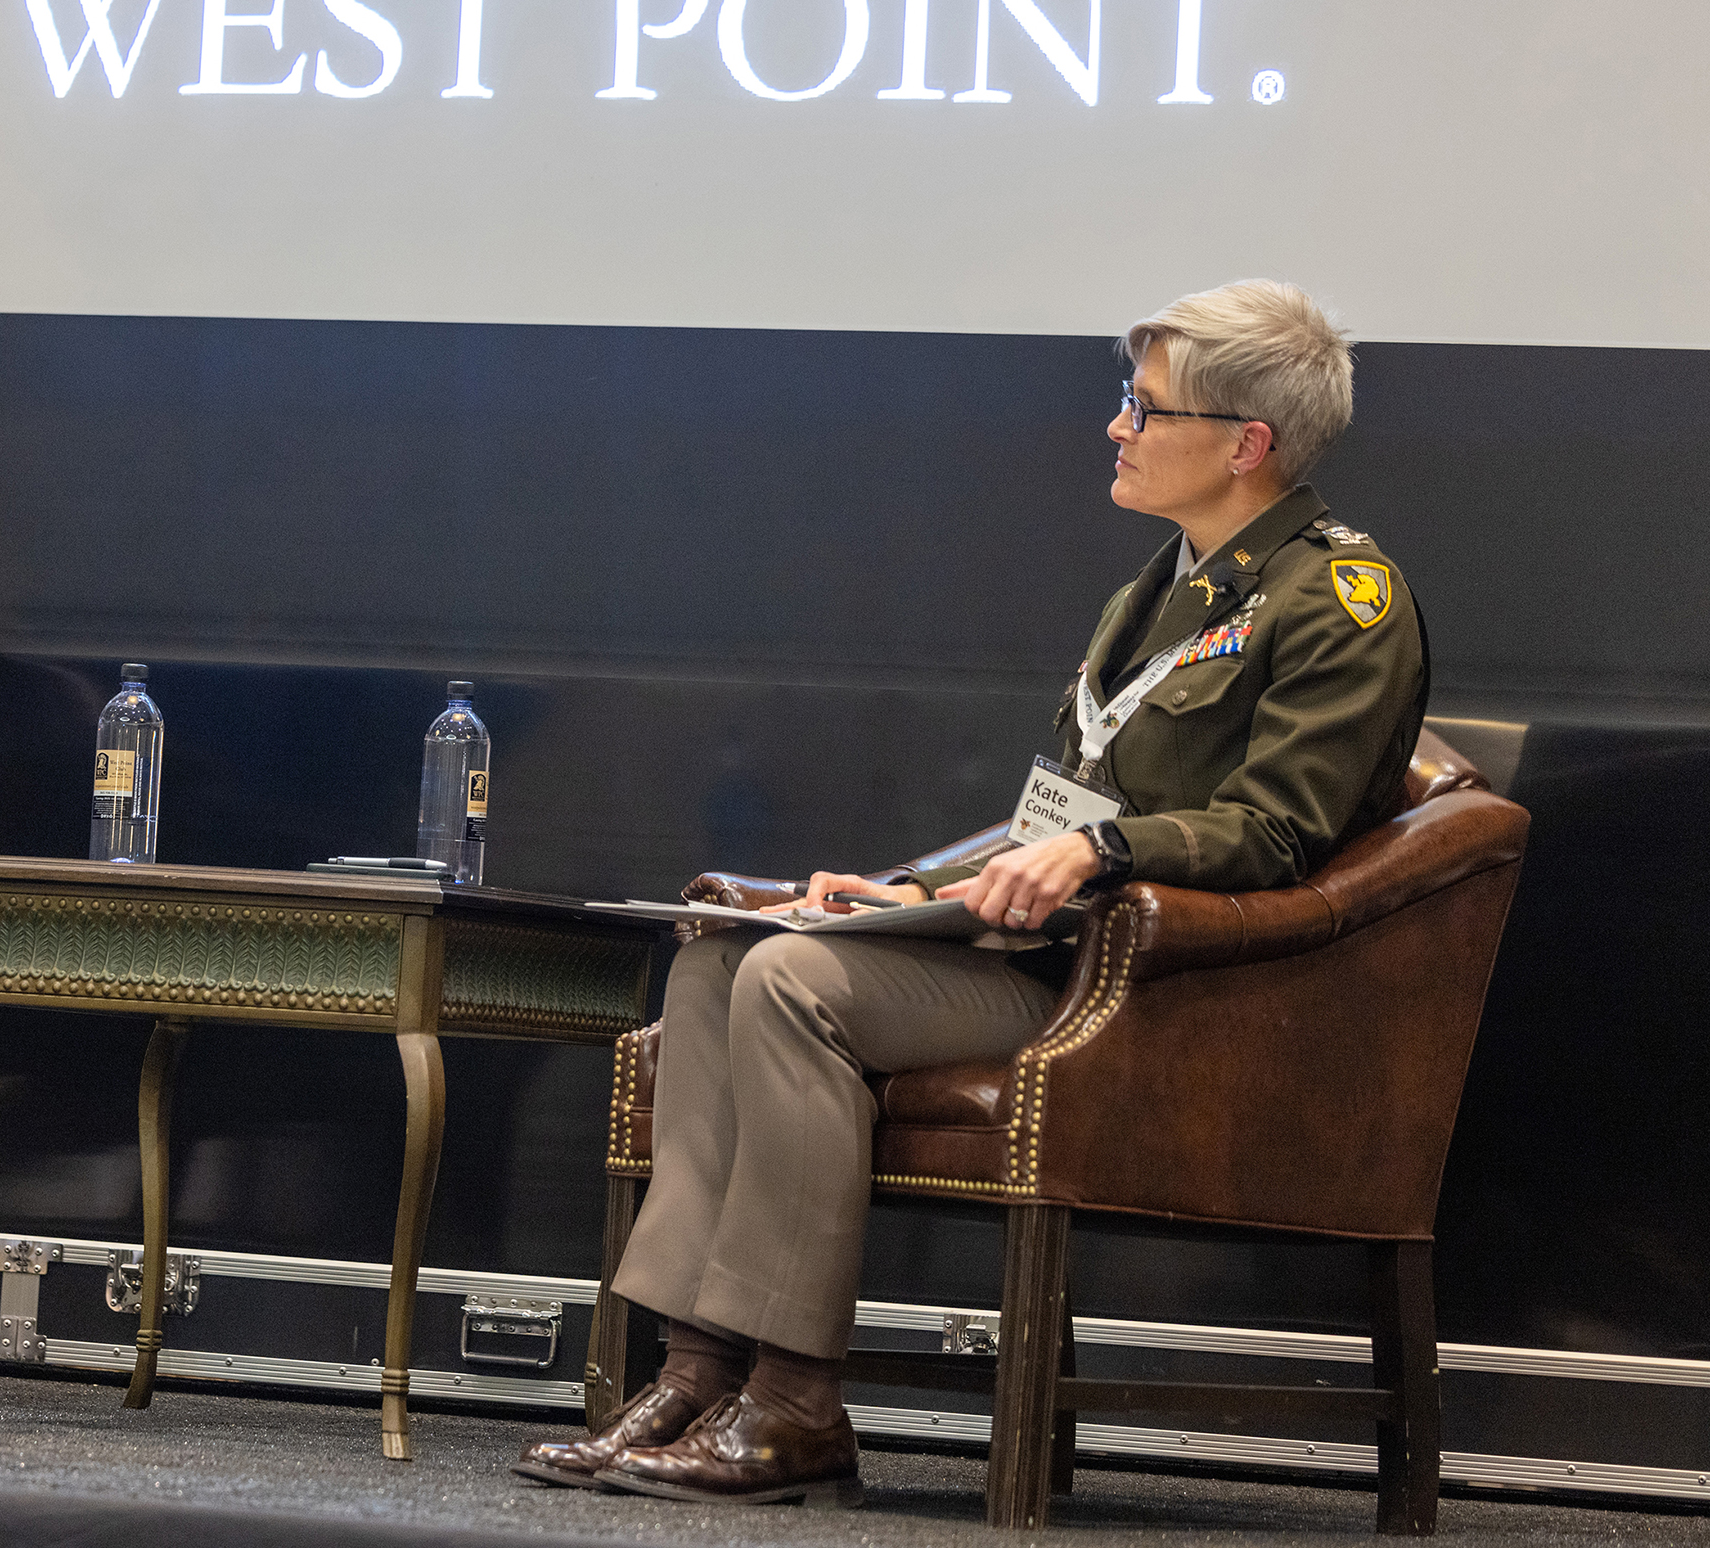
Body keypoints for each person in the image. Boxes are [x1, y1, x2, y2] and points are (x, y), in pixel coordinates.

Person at [515, 280, 1427, 1506]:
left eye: (1143, 408)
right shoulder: (1154, 593)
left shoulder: (1343, 603)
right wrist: (901, 887)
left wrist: (1109, 857)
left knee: (789, 982)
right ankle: (695, 1370)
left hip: (1153, 989)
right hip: (1037, 955)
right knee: (728, 949)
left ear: (1246, 443)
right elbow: (1050, 818)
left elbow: (1280, 830)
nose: (1117, 427)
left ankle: (791, 1405)